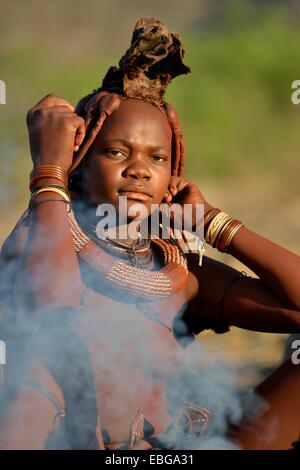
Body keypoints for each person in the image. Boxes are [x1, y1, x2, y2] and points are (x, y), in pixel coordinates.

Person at [0, 17, 299, 450]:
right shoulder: (40, 243)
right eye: (116, 151)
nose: (139, 169)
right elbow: (52, 304)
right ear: (80, 161)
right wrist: (49, 171)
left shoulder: (176, 268)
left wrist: (215, 224)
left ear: (172, 175)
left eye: (157, 158)